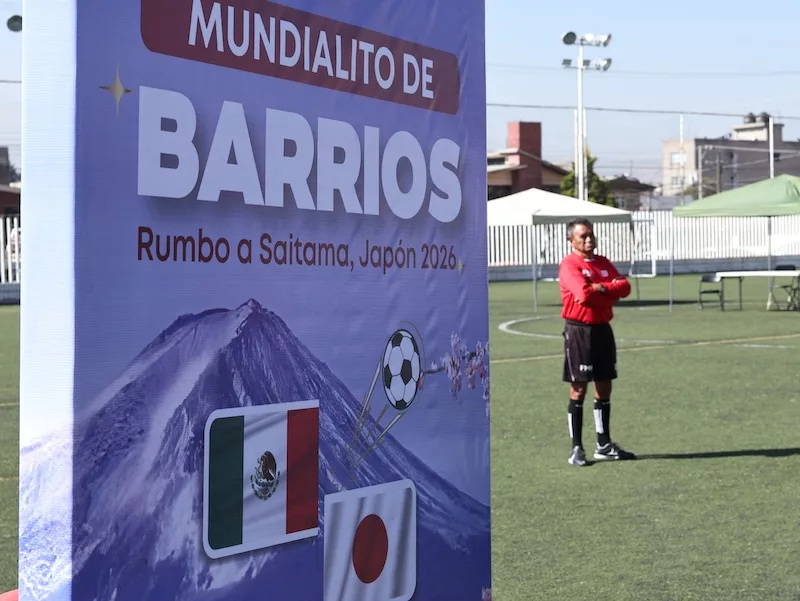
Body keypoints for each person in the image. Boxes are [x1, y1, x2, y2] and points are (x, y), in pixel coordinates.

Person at [558, 217, 636, 466]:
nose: (589, 239)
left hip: (603, 329)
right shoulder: (569, 265)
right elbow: (583, 295)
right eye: (583, 236)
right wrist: (609, 290)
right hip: (579, 331)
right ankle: (576, 449)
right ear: (571, 240)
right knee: (579, 388)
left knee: (604, 385)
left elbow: (625, 288)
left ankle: (604, 444)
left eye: (591, 234)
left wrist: (600, 289)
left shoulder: (603, 262)